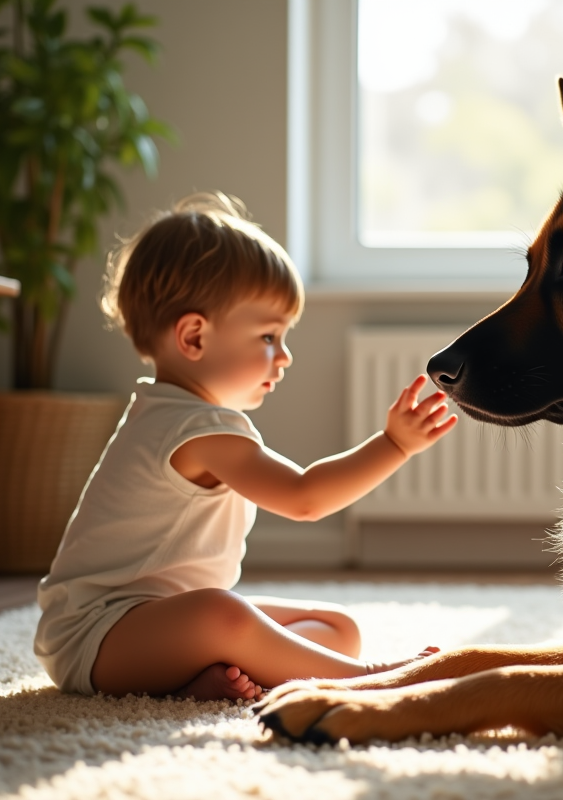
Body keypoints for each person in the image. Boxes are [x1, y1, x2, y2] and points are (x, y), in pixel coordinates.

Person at [34, 192, 456, 701]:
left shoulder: (172, 411)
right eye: (268, 337)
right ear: (193, 337)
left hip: (152, 625)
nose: (284, 357)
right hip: (96, 638)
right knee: (222, 612)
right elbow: (305, 498)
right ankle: (371, 679)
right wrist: (393, 444)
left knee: (333, 624)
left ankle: (205, 682)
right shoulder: (194, 429)